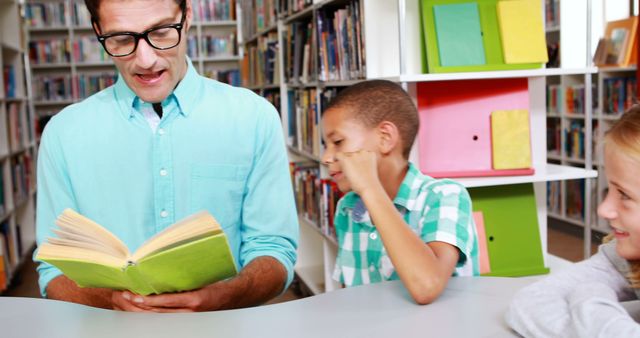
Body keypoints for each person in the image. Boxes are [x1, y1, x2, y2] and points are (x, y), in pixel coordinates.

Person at [35, 0, 298, 312]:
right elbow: (54, 271)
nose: (145, 60)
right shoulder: (64, 133)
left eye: (161, 32)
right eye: (121, 39)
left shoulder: (255, 117)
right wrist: (112, 301)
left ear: (186, 18)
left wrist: (223, 296)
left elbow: (274, 251)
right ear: (98, 31)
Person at [320, 80, 479, 305]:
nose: (326, 157)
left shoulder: (445, 197)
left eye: (337, 142)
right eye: (326, 145)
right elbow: (353, 296)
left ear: (385, 138)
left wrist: (370, 188)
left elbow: (427, 286)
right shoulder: (347, 208)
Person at [506, 104, 640, 337]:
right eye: (610, 189)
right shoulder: (624, 257)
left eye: (625, 195)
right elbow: (528, 303)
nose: (603, 209)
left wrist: (589, 294)